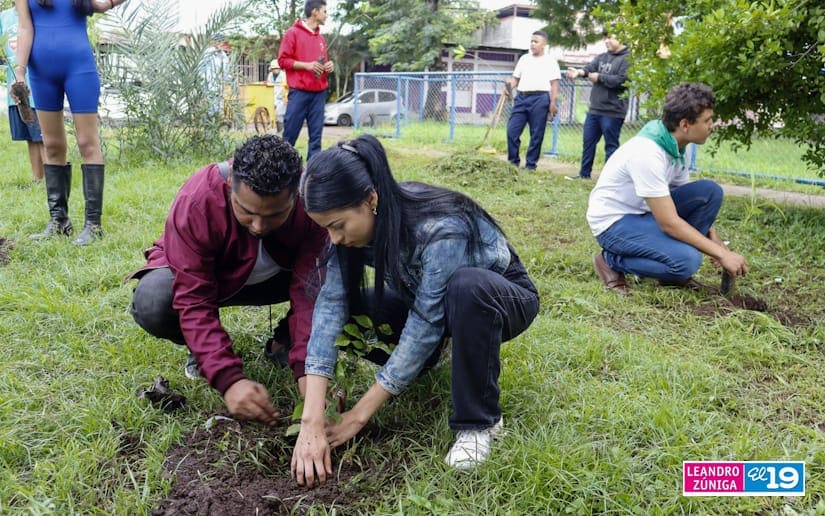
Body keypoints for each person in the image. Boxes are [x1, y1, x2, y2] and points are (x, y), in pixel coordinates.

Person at [290, 134, 540, 486]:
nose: (334, 238)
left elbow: (425, 322)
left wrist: (358, 416)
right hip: (427, 298)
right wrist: (311, 421)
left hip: (500, 297)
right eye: (326, 229)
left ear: (370, 199)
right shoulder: (357, 229)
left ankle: (479, 423)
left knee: (465, 289)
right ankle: (433, 358)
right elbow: (330, 309)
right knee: (352, 302)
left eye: (338, 226)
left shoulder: (440, 228)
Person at [127, 135, 329, 424]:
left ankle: (286, 342)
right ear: (231, 181)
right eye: (246, 211)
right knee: (154, 300)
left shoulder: (313, 201)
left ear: (296, 193)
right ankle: (204, 349)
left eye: (275, 215)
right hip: (213, 281)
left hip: (280, 279)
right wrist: (228, 378)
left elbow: (311, 291)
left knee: (340, 276)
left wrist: (310, 373)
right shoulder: (198, 199)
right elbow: (193, 298)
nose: (259, 226)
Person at [586, 83, 749, 295]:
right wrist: (720, 254)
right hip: (615, 223)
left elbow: (687, 201)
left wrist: (714, 239)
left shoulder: (679, 146)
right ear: (685, 124)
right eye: (707, 121)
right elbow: (669, 223)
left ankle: (669, 271)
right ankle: (610, 260)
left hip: (644, 213)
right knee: (687, 261)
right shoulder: (648, 153)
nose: (712, 125)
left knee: (709, 193)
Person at [13, 0, 122, 245]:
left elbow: (104, 4)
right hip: (41, 74)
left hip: (79, 68)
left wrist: (108, 3)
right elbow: (25, 28)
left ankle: (93, 225)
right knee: (51, 145)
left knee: (87, 143)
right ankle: (59, 221)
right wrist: (19, 72)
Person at [565, 31, 631, 180]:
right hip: (595, 109)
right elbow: (589, 69)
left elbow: (622, 80)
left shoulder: (627, 59)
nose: (606, 41)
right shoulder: (602, 57)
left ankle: (610, 178)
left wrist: (600, 77)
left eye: (610, 37)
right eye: (605, 38)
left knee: (611, 146)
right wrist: (578, 72)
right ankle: (584, 174)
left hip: (613, 111)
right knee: (588, 142)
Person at [278, 0, 334, 161]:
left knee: (316, 139)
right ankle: (282, 172)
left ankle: (312, 176)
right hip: (299, 93)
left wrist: (329, 66)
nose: (326, 15)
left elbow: (322, 63)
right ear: (315, 12)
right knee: (290, 135)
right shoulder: (292, 33)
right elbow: (283, 61)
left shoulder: (321, 38)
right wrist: (307, 66)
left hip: (319, 94)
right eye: (324, 11)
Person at [505, 30, 560, 170]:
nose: (533, 44)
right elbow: (515, 80)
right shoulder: (524, 59)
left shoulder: (550, 61)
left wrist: (553, 103)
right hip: (521, 98)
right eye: (531, 41)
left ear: (544, 44)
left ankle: (530, 165)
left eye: (536, 41)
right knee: (512, 131)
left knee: (536, 134)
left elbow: (554, 84)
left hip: (540, 99)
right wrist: (508, 86)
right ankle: (513, 163)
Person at [1, 5, 44, 182]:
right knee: (30, 136)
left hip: (37, 85)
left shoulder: (37, 11)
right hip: (16, 88)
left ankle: (53, 180)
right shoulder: (4, 16)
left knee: (43, 136)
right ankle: (37, 179)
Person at [199, 33, 234, 118]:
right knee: (210, 108)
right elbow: (200, 69)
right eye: (218, 41)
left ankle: (218, 125)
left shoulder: (223, 55)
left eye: (222, 42)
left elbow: (225, 71)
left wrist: (231, 80)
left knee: (219, 108)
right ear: (213, 42)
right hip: (208, 85)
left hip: (219, 87)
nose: (220, 44)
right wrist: (202, 82)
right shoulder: (207, 53)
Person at [266, 59, 287, 134]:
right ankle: (271, 128)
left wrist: (285, 97)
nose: (275, 70)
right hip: (272, 97)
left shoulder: (283, 75)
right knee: (271, 113)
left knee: (279, 114)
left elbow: (286, 87)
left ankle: (280, 131)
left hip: (281, 98)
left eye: (276, 68)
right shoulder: (270, 75)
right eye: (273, 69)